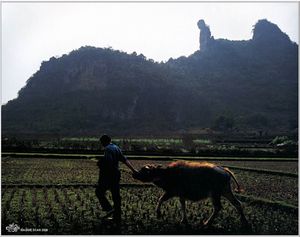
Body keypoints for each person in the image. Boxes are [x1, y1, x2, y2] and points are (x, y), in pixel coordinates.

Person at [95, 134, 138, 224]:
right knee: (116, 195)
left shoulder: (107, 149)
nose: (102, 144)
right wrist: (133, 170)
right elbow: (124, 160)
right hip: (116, 174)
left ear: (104, 142)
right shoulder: (116, 147)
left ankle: (109, 208)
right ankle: (117, 217)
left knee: (99, 191)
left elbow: (108, 162)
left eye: (102, 142)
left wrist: (100, 163)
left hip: (109, 174)